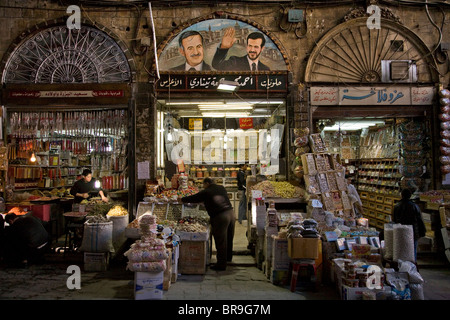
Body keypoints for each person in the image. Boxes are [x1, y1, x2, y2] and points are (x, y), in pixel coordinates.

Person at [178, 177, 235, 271]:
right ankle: (228, 258)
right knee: (229, 237)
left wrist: (182, 199)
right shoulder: (221, 188)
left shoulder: (206, 191)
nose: (203, 187)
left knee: (220, 239)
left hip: (221, 216)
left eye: (203, 185)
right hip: (231, 213)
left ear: (207, 183)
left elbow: (194, 198)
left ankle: (221, 264)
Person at [393, 188, 426, 262]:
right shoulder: (415, 206)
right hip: (413, 230)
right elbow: (419, 220)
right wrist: (422, 231)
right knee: (413, 249)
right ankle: (412, 265)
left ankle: (401, 264)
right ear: (410, 196)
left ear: (401, 195)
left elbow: (394, 220)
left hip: (400, 231)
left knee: (401, 248)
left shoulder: (397, 206)